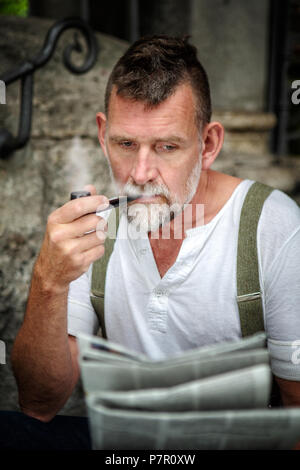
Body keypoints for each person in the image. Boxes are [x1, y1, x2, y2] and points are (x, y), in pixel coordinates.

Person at [5, 35, 300, 449]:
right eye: (126, 144)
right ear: (103, 133)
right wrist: (48, 281)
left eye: (166, 147)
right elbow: (39, 402)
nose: (140, 173)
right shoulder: (95, 225)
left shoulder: (274, 227)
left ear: (208, 144)